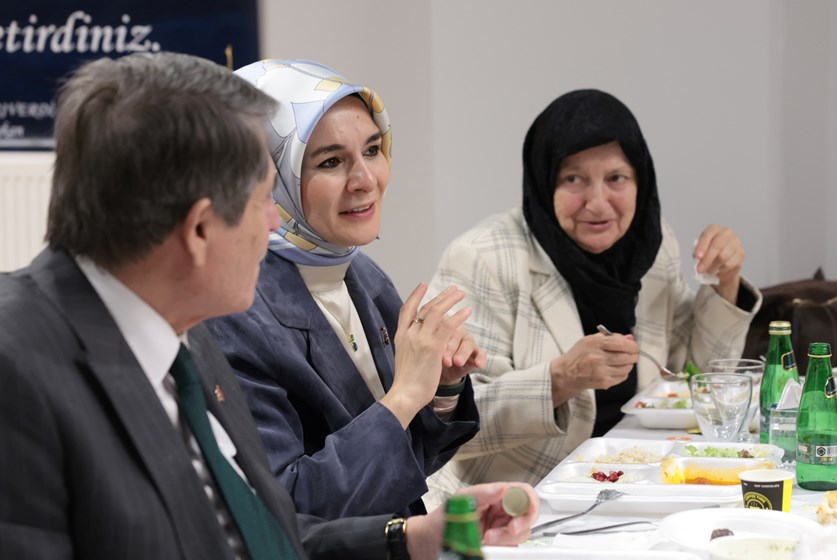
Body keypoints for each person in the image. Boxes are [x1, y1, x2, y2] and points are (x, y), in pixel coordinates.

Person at [0, 52, 536, 560]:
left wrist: (409, 540)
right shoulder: (18, 370)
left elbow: (256, 524)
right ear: (200, 229)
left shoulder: (180, 338)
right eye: (264, 199)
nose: (277, 222)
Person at [424, 89, 762, 498]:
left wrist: (725, 281)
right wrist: (560, 379)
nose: (598, 203)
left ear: (641, 179)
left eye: (616, 178)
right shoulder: (483, 257)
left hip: (632, 480)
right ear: (544, 180)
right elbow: (446, 424)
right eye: (573, 179)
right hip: (514, 496)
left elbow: (696, 376)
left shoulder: (652, 247)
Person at [205, 59, 483, 521]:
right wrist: (404, 396)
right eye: (331, 162)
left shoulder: (362, 274)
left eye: (373, 150)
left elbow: (404, 465)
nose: (366, 180)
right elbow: (287, 506)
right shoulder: (234, 311)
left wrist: (443, 386)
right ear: (268, 179)